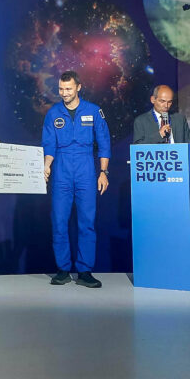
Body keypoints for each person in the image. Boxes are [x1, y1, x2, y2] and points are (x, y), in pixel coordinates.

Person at [133, 85, 190, 283]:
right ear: (153, 100)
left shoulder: (179, 119)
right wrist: (159, 135)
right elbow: (138, 149)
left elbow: (189, 146)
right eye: (162, 101)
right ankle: (162, 272)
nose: (166, 106)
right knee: (163, 227)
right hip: (157, 183)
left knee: (187, 227)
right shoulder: (141, 121)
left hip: (181, 182)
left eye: (169, 102)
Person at [42, 71, 110, 289]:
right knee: (59, 221)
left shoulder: (93, 111)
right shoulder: (53, 113)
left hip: (85, 169)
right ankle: (63, 270)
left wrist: (103, 172)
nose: (64, 93)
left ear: (79, 87)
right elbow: (49, 145)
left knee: (87, 222)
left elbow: (104, 142)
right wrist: (46, 165)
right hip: (61, 170)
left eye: (68, 89)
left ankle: (84, 271)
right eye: (61, 89)